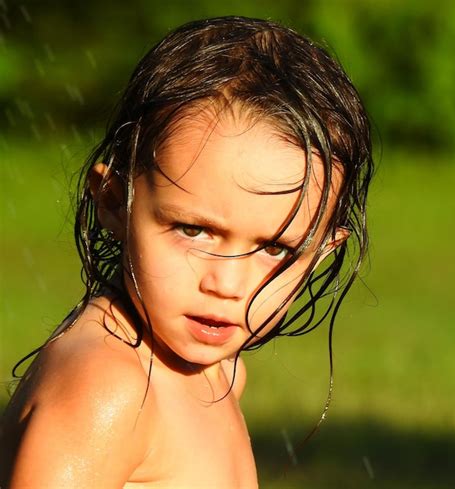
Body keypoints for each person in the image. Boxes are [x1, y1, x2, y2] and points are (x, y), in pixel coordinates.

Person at [0, 16, 373, 488]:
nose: (226, 284)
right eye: (194, 230)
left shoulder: (220, 373)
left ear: (322, 250)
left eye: (276, 248)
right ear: (115, 202)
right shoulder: (106, 386)